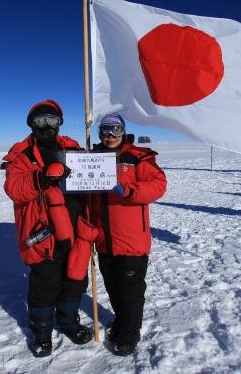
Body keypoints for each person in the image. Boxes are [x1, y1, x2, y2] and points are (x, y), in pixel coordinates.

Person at [2, 99, 94, 357]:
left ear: (60, 122)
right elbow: (14, 189)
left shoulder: (73, 148)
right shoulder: (22, 155)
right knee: (45, 285)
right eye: (40, 120)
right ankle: (42, 333)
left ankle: (68, 323)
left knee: (74, 281)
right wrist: (39, 178)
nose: (46, 126)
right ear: (31, 124)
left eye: (52, 120)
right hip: (43, 235)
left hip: (77, 231)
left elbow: (92, 176)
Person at [91, 113, 167, 356]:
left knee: (130, 292)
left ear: (123, 131)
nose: (110, 136)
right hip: (103, 240)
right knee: (113, 287)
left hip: (131, 241)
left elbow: (158, 185)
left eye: (115, 130)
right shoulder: (92, 159)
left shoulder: (138, 157)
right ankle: (121, 322)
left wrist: (129, 190)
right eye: (105, 131)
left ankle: (130, 333)